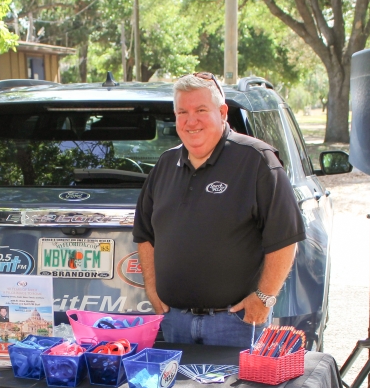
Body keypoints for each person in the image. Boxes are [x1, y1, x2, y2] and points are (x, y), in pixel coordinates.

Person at [131, 72, 306, 348]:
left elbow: (286, 238)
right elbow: (145, 234)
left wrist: (264, 298)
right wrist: (152, 289)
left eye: (201, 110)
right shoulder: (165, 165)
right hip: (174, 322)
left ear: (222, 112)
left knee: (238, 381)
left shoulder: (256, 161)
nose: (191, 121)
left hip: (236, 323)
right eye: (182, 112)